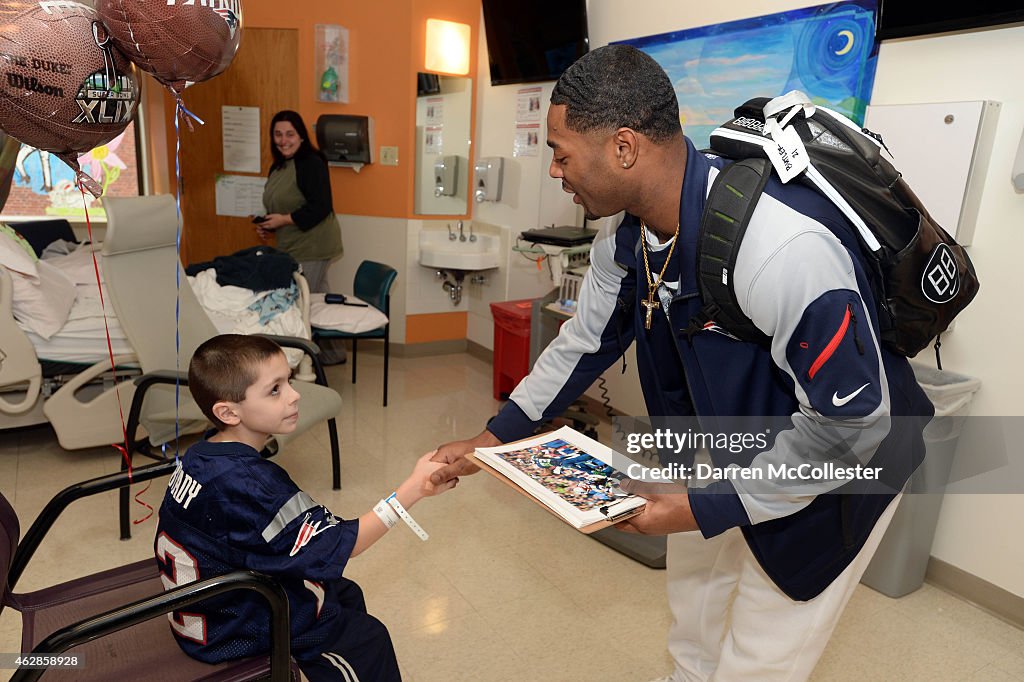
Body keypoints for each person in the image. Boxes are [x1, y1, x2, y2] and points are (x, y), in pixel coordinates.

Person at [429, 45, 932, 681]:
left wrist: (700, 506)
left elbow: (851, 430)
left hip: (840, 464)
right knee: (692, 615)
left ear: (623, 147)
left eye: (561, 152)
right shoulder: (626, 234)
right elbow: (584, 342)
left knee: (758, 650)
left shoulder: (781, 251)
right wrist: (494, 437)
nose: (555, 169)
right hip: (719, 445)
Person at [155, 334, 455, 681]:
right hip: (234, 630)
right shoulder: (253, 484)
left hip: (211, 611)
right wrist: (413, 489)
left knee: (345, 591)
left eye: (289, 381)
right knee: (369, 639)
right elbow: (349, 542)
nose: (295, 394)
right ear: (228, 411)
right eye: (275, 389)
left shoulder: (200, 455)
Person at [257, 109, 346, 363]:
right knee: (317, 299)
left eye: (289, 134)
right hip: (293, 241)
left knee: (305, 302)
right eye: (278, 134)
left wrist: (283, 220)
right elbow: (282, 203)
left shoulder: (311, 163)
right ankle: (331, 353)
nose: (283, 140)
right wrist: (268, 224)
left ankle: (308, 360)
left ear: (301, 136)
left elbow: (321, 206)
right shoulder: (280, 165)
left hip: (314, 244)